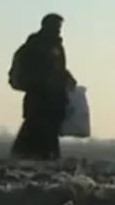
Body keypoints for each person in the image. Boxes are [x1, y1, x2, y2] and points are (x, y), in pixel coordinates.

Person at [9, 13, 76, 161]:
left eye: (60, 27)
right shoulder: (34, 46)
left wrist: (67, 78)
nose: (58, 30)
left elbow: (60, 69)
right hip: (39, 96)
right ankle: (23, 157)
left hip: (56, 97)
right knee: (34, 127)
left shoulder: (57, 47)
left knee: (50, 129)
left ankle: (46, 158)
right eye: (56, 27)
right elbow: (31, 71)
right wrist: (43, 82)